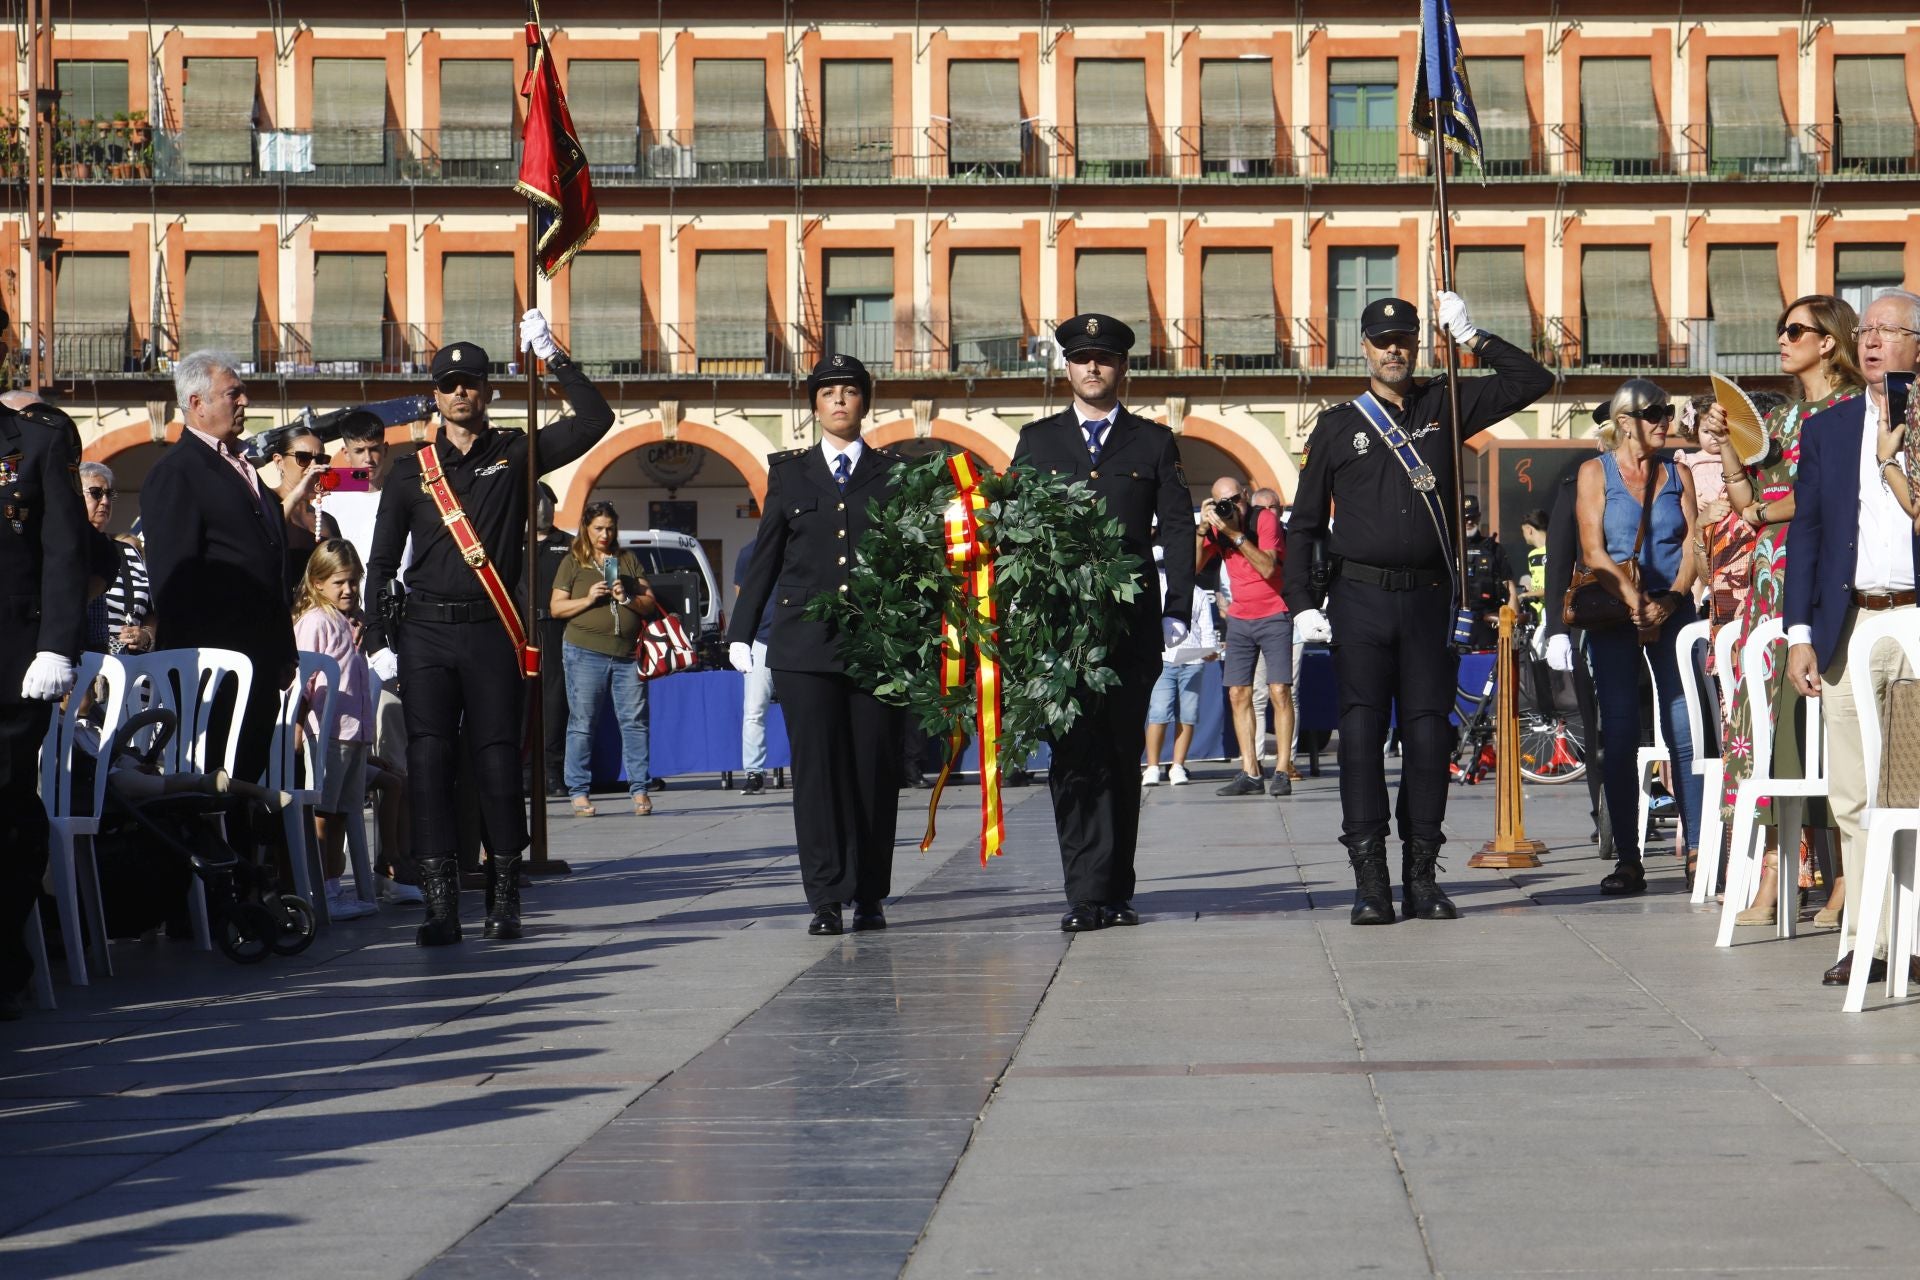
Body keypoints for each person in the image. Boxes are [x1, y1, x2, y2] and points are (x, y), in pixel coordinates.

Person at [1283, 292, 1552, 925]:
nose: (1394, 350)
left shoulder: (1445, 401)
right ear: (1365, 348)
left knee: (1430, 736)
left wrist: (1472, 334)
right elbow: (1303, 524)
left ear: (1419, 343)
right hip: (1359, 597)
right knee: (1359, 735)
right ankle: (1370, 880)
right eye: (1382, 341)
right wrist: (1300, 603)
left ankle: (1422, 875)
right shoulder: (1335, 425)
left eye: (1404, 338)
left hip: (1430, 597)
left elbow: (1532, 380)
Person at [364, 310, 614, 946]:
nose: (460, 393)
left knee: (499, 765)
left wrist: (553, 355)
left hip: (491, 631)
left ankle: (505, 896)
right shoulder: (409, 469)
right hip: (423, 633)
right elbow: (383, 561)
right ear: (436, 395)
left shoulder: (517, 452)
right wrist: (375, 640)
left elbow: (595, 420)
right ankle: (441, 904)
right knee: (427, 762)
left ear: (488, 390)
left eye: (471, 382)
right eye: (449, 384)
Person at [1012, 314, 1195, 932]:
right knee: (1072, 757)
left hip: (1129, 626)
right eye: (1083, 357)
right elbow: (1013, 526)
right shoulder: (1038, 442)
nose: (1094, 368)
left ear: (1123, 369)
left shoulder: (1152, 442)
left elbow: (1175, 526)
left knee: (1120, 756)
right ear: (1066, 366)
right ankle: (1083, 893)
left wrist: (1177, 608)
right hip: (1059, 631)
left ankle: (1117, 887)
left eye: (1106, 358)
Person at [728, 353, 905, 935]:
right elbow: (768, 555)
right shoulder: (789, 472)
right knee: (816, 773)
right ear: (814, 406)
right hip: (804, 645)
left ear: (864, 403)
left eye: (849, 391)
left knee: (874, 771)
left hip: (876, 644)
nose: (838, 400)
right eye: (827, 391)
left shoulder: (892, 473)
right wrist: (741, 631)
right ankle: (826, 896)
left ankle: (870, 892)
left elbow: (911, 561)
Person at [1699, 294, 1861, 924]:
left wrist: (1766, 512)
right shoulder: (1791, 419)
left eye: (1797, 330)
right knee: (1770, 733)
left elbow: (1825, 501)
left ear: (1830, 342)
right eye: (1781, 329)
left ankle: (1842, 875)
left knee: (1820, 730)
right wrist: (1730, 447)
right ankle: (1777, 878)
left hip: (1817, 573)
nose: (1783, 338)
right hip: (1772, 582)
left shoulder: (1851, 412)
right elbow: (1747, 502)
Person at [1783, 288, 1920, 988]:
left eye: (1889, 330)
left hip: (1915, 620)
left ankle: (1913, 936)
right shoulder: (1828, 430)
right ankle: (1866, 938)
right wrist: (1800, 632)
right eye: (1865, 329)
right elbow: (1804, 532)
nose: (1870, 340)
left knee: (1915, 790)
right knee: (1853, 793)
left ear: (1916, 348)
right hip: (1850, 622)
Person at [142, 351, 299, 819]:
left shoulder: (245, 468)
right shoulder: (176, 472)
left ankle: (247, 882)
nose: (245, 400)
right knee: (213, 784)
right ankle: (210, 887)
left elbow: (272, 569)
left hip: (260, 660)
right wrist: (195, 665)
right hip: (212, 668)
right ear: (197, 402)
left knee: (250, 785)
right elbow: (172, 577)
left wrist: (282, 649)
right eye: (233, 393)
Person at [1575, 380, 1703, 895]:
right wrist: (1635, 602)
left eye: (1668, 413)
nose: (1664, 422)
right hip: (1616, 615)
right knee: (1623, 734)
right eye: (1654, 413)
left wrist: (1669, 599)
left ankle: (1697, 849)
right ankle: (1629, 859)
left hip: (1673, 612)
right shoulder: (1594, 472)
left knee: (1686, 731)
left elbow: (1694, 543)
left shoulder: (1679, 472)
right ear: (1624, 421)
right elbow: (1593, 551)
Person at [0, 400, 88, 1017]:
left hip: (10, 664)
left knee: (6, 811)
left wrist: (56, 645)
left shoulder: (33, 442)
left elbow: (63, 549)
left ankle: (4, 961)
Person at [551, 499, 657, 817]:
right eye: (599, 528)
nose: (605, 534)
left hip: (627, 653)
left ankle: (640, 790)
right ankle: (579, 791)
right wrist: (588, 598)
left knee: (635, 723)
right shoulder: (573, 561)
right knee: (582, 723)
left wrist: (627, 598)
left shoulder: (627, 560)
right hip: (585, 651)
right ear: (586, 528)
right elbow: (557, 608)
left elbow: (650, 603)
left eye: (610, 528)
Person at [292, 538, 379, 921]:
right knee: (324, 813)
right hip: (326, 734)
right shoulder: (315, 622)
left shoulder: (347, 622)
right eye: (339, 582)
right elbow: (302, 679)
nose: (348, 589)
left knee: (342, 811)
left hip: (353, 732)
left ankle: (333, 885)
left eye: (353, 581)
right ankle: (324, 889)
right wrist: (295, 723)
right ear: (318, 582)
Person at [1198, 476, 1293, 797]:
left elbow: (1268, 567)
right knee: (1238, 695)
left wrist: (1234, 535)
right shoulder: (1216, 526)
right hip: (1239, 619)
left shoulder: (1264, 518)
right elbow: (1195, 566)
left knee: (1279, 691)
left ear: (1247, 496)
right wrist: (1202, 529)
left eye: (1236, 499)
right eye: (1222, 502)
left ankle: (1281, 769)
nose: (1231, 507)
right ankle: (1250, 772)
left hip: (1274, 613)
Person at [1144, 540, 1217, 787]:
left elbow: (1206, 630)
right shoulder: (1153, 590)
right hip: (1163, 660)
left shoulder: (1196, 594)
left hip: (1192, 660)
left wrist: (1210, 650)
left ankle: (1177, 765)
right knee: (1159, 712)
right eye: (1161, 567)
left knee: (1187, 714)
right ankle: (1152, 767)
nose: (1164, 571)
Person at [75, 462, 153, 656]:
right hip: (83, 661)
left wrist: (146, 635)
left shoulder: (128, 551)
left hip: (133, 666)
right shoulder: (63, 548)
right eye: (96, 493)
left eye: (109, 494)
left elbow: (151, 612)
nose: (105, 501)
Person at [528, 484, 572, 798]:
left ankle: (553, 771)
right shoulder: (510, 542)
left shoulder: (568, 545)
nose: (542, 508)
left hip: (558, 629)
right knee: (520, 702)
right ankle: (524, 771)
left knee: (556, 703)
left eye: (547, 502)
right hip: (521, 632)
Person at [267, 426, 342, 595]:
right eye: (303, 458)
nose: (313, 466)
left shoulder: (327, 520)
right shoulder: (264, 501)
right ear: (279, 462)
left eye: (321, 459)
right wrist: (299, 492)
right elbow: (266, 535)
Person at [733, 535, 777, 795]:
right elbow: (742, 598)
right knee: (754, 709)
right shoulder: (750, 551)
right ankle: (754, 772)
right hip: (761, 639)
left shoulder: (802, 543)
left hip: (795, 638)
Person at [1459, 494, 1519, 648]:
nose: (1469, 522)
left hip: (1488, 622)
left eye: (1473, 517)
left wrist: (1511, 627)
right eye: (1465, 518)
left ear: (1479, 517)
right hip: (1457, 622)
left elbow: (1510, 589)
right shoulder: (1450, 550)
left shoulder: (1494, 549)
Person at [1515, 508, 1549, 617]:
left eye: (1523, 531)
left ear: (1529, 530)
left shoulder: (1555, 551)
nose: (1523, 535)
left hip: (1552, 611)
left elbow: (1553, 587)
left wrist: (1526, 595)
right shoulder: (1532, 555)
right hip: (1538, 613)